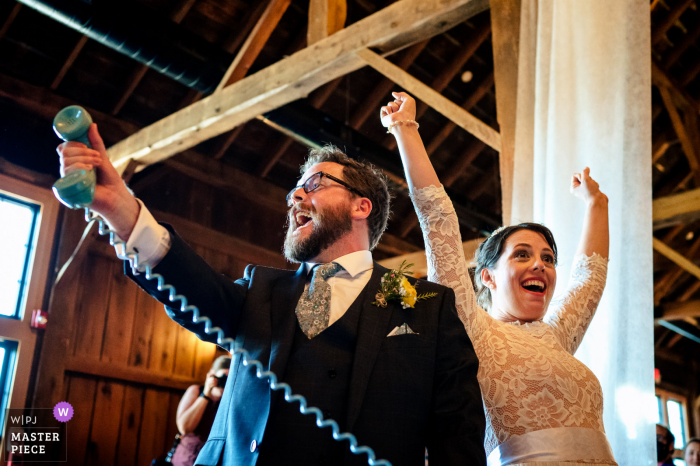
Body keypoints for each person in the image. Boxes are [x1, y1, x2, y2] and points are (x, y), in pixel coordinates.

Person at [55, 125, 486, 466]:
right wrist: (120, 209)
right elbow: (192, 286)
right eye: (293, 191)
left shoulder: (428, 306)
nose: (295, 195)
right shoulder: (259, 292)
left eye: (314, 183)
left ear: (361, 206)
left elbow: (457, 435)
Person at [380, 92, 615, 465]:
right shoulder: (472, 328)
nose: (540, 265)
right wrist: (405, 128)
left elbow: (591, 276)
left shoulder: (557, 334)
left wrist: (595, 204)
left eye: (548, 258)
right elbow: (438, 218)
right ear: (487, 276)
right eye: (522, 254)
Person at [172, 356, 231, 466]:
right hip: (185, 459)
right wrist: (206, 394)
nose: (224, 383)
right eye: (222, 378)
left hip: (211, 460)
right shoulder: (196, 391)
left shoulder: (230, 401)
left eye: (229, 379)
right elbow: (185, 428)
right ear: (212, 374)